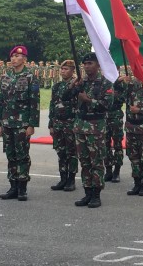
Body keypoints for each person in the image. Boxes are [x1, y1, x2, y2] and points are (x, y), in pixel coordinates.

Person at [64, 52, 113, 208]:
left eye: (90, 63)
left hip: (96, 127)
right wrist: (73, 85)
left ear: (98, 65)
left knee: (96, 162)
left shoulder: (105, 83)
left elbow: (107, 104)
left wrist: (88, 100)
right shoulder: (81, 82)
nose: (86, 66)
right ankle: (87, 192)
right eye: (85, 64)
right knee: (84, 162)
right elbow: (65, 97)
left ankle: (96, 195)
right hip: (80, 126)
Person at [0, 45, 40, 201]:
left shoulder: (30, 77)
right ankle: (12, 187)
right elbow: (0, 101)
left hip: (22, 124)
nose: (14, 59)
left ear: (24, 59)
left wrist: (32, 124)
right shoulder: (5, 76)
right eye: (12, 56)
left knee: (22, 156)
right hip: (7, 122)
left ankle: (22, 188)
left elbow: (35, 102)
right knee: (10, 155)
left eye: (17, 56)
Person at [116, 65, 143, 197]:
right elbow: (117, 97)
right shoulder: (130, 86)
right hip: (131, 127)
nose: (137, 70)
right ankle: (137, 183)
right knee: (133, 156)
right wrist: (119, 81)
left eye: (141, 68)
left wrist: (140, 110)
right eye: (136, 68)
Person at [48, 60, 78, 192]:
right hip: (58, 122)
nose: (63, 71)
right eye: (62, 69)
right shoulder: (57, 86)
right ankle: (63, 178)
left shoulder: (77, 85)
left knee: (71, 152)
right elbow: (52, 105)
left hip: (71, 122)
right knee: (61, 152)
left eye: (66, 69)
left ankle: (71, 180)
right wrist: (51, 123)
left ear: (72, 71)